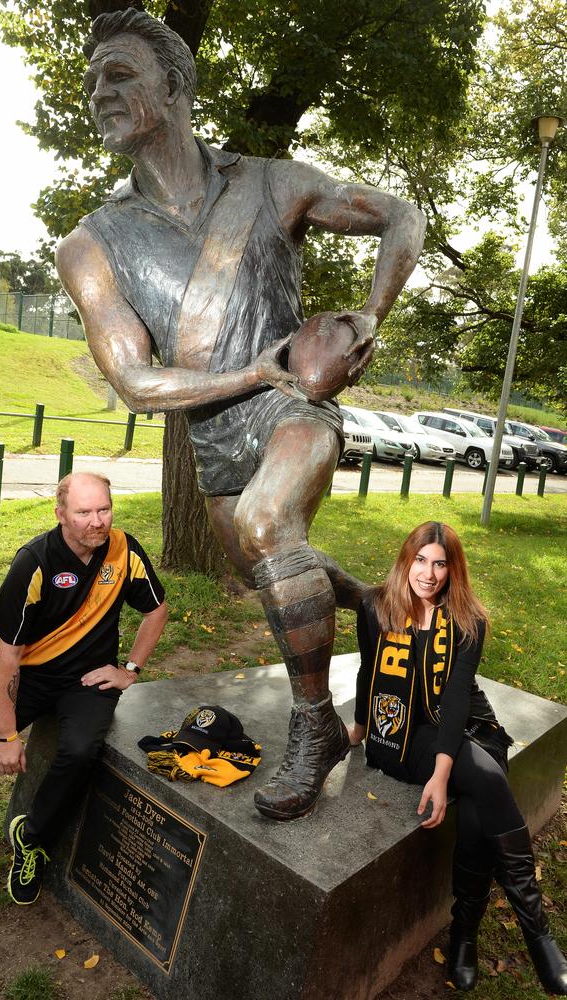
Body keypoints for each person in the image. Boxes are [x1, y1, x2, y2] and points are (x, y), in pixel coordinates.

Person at [56, 9, 426, 821]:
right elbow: (136, 381)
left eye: (118, 74)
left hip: (295, 407)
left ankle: (316, 725)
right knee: (264, 564)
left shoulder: (272, 181)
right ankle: (370, 602)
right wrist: (247, 370)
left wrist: (368, 315)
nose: (98, 93)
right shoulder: (92, 241)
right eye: (90, 82)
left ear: (177, 86)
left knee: (266, 525)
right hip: (215, 436)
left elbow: (404, 215)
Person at [0, 472, 168, 913]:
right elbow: (8, 658)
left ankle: (30, 840)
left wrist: (129, 669)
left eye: (104, 509)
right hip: (30, 677)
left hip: (89, 681)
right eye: (84, 512)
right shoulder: (34, 561)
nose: (97, 521)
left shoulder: (124, 550)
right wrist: (5, 735)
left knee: (79, 751)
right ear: (61, 515)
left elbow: (157, 609)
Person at [348, 521, 567, 994]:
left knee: (476, 803)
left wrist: (444, 773)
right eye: (420, 560)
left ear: (452, 570)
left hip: (466, 724)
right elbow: (369, 669)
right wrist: (361, 727)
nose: (428, 574)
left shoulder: (468, 620)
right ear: (406, 559)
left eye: (440, 564)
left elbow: (457, 698)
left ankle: (465, 934)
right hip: (404, 731)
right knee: (488, 782)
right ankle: (537, 936)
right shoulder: (375, 606)